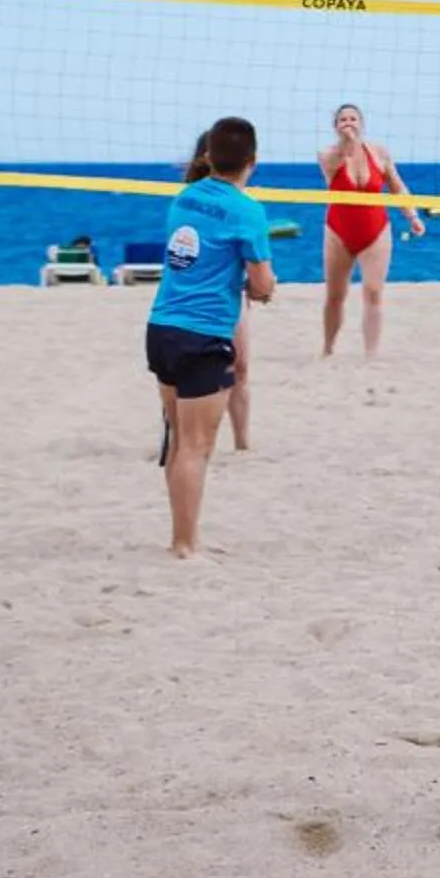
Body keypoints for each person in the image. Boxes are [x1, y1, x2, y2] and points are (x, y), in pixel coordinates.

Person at [148, 117, 276, 559]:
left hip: (162, 329)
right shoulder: (248, 211)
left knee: (179, 442)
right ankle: (185, 544)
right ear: (252, 163)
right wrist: (264, 288)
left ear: (206, 156)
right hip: (204, 334)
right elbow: (261, 285)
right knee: (195, 448)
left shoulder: (184, 198)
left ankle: (181, 536)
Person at [155, 137, 251, 462]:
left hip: (229, 296)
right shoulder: (188, 199)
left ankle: (242, 443)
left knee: (240, 367)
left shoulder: (239, 200)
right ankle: (175, 439)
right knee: (184, 377)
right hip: (191, 305)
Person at [318, 103, 425, 358]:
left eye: (353, 118)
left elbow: (397, 187)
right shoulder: (327, 155)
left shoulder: (379, 153)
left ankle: (371, 355)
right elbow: (335, 163)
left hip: (375, 231)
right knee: (335, 296)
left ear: (362, 123)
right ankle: (328, 348)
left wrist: (412, 216)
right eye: (342, 119)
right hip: (338, 232)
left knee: (374, 292)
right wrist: (347, 143)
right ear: (335, 126)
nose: (348, 122)